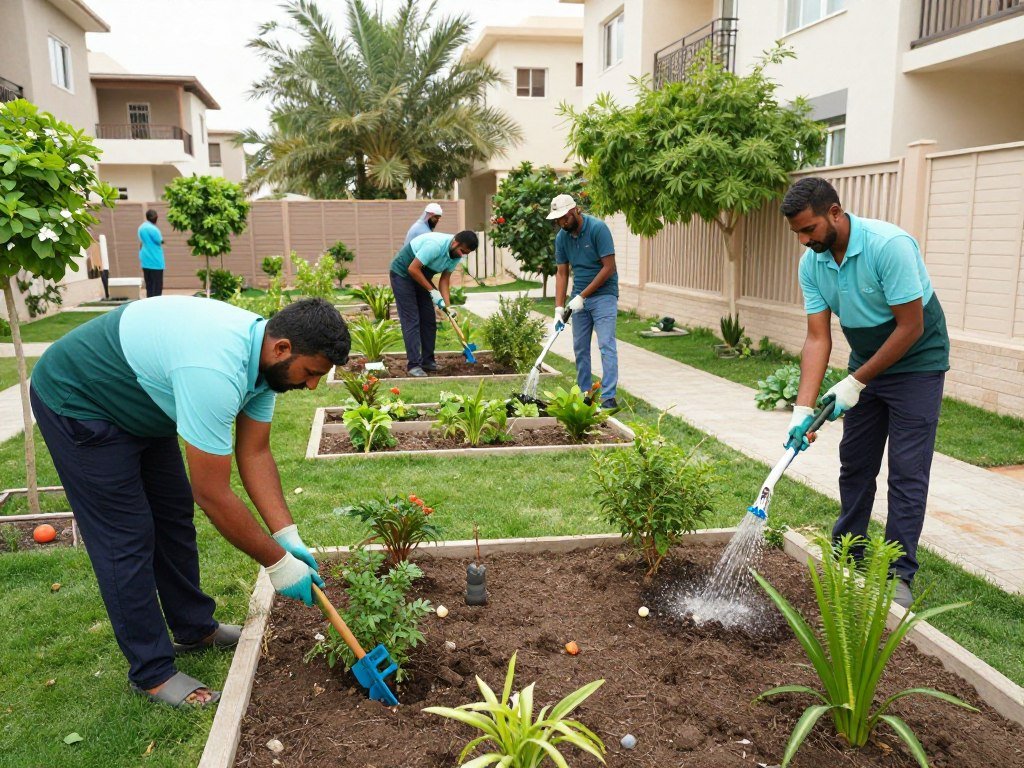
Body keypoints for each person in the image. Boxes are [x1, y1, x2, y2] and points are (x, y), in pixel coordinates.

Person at [29, 297, 351, 707]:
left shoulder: (265, 364)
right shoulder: (214, 370)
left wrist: (287, 536)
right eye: (310, 373)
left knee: (173, 515)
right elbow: (213, 494)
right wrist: (278, 564)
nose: (311, 386)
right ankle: (152, 673)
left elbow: (255, 454)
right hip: (80, 397)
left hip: (141, 398)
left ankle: (195, 627)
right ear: (282, 348)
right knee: (125, 536)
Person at [781, 177, 950, 609]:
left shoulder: (888, 245)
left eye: (809, 229)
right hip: (869, 360)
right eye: (797, 233)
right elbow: (818, 338)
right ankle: (849, 551)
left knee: (907, 471)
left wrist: (857, 382)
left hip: (917, 360)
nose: (804, 241)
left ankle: (898, 571)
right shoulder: (813, 263)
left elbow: (910, 327)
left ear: (834, 212)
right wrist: (802, 408)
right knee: (855, 462)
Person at [547, 193, 619, 409]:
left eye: (564, 217)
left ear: (575, 210)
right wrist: (559, 307)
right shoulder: (562, 237)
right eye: (558, 219)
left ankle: (608, 397)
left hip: (604, 295)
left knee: (606, 345)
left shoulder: (598, 229)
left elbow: (609, 267)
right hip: (578, 298)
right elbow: (562, 273)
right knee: (580, 347)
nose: (561, 222)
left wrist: (583, 296)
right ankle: (584, 394)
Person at [389, 230, 478, 377]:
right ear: (455, 243)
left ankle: (427, 361)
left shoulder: (456, 254)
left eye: (466, 253)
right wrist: (432, 291)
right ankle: (414, 365)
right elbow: (413, 269)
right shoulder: (435, 246)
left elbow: (444, 280)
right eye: (462, 251)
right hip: (403, 274)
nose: (462, 255)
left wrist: (448, 308)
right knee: (412, 320)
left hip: (420, 276)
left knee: (429, 320)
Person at [138, 209, 165, 298]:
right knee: (157, 287)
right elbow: (159, 241)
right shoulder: (153, 229)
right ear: (155, 218)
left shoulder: (141, 228)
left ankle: (148, 304)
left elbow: (141, 243)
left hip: (145, 261)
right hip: (156, 262)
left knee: (149, 287)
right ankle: (156, 306)